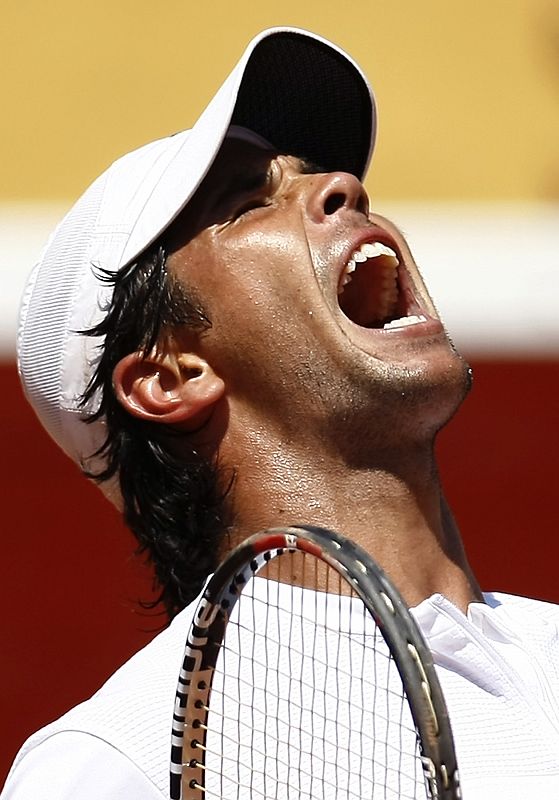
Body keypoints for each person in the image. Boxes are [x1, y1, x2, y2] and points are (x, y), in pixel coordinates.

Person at [3, 26, 559, 800]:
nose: (342, 187)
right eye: (247, 201)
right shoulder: (119, 761)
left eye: (312, 172)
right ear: (170, 378)